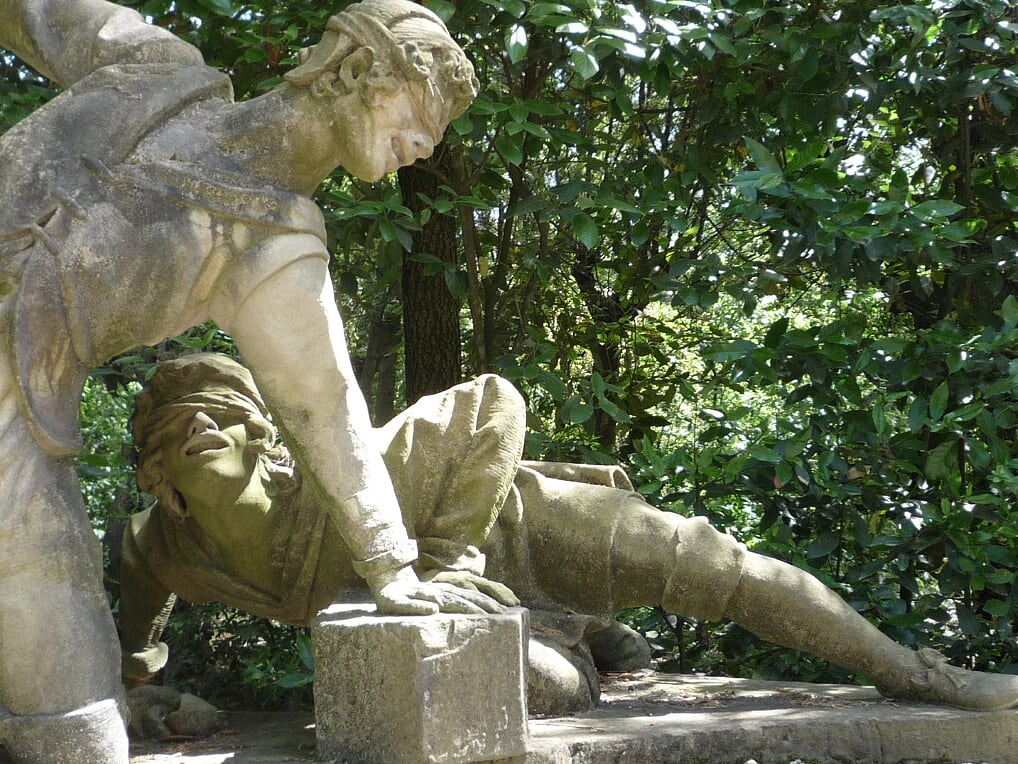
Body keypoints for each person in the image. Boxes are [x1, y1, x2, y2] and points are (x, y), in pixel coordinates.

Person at [0, 2, 492, 761]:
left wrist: (392, 565)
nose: (427, 145)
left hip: (14, 431)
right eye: (423, 110)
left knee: (78, 729)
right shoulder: (157, 70)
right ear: (356, 69)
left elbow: (324, 406)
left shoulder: (273, 244)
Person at [120, 353, 1018, 718]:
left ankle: (917, 673)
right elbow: (122, 649)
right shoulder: (158, 550)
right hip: (465, 618)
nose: (202, 426)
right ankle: (573, 639)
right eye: (176, 428)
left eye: (222, 411)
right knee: (532, 686)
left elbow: (491, 400)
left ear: (265, 434)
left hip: (526, 522)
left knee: (715, 566)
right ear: (156, 473)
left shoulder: (345, 476)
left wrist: (447, 562)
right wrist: (136, 699)